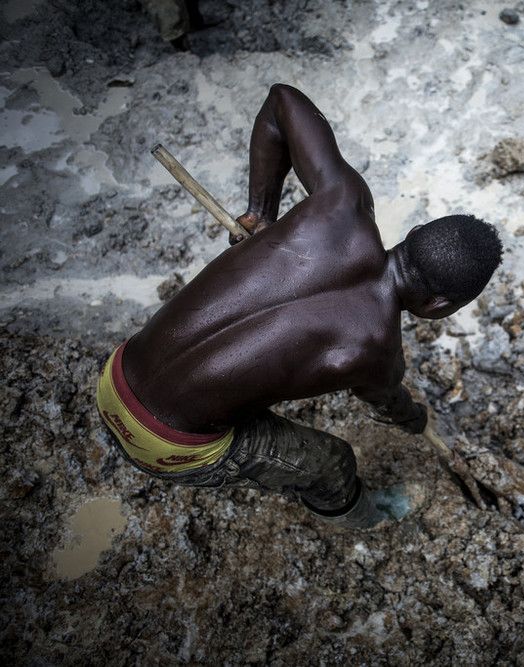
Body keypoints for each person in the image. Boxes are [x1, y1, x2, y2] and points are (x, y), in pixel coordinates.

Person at [97, 84, 503, 529]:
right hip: (166, 447)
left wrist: (261, 212)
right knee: (333, 462)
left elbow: (281, 102)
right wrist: (415, 418)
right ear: (441, 306)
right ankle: (362, 518)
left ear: (417, 229)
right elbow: (390, 403)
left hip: (114, 374)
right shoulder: (377, 350)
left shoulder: (342, 201)